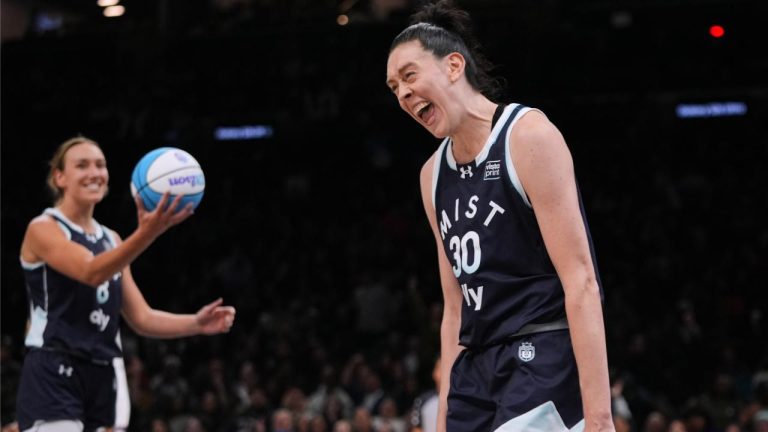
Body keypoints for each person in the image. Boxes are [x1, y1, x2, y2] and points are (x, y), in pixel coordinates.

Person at [385, 1, 614, 431]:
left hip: (541, 351)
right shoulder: (431, 175)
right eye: (394, 87)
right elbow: (454, 309)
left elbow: (581, 281)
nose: (402, 93)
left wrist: (600, 418)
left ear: (454, 65)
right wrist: (444, 420)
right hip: (476, 367)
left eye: (410, 76)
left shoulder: (528, 135)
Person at [15, 136, 236, 432]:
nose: (94, 172)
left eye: (100, 165)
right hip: (55, 365)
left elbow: (142, 318)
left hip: (103, 370)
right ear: (60, 177)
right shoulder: (43, 228)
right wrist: (147, 233)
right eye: (82, 165)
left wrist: (196, 323)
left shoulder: (112, 240)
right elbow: (92, 272)